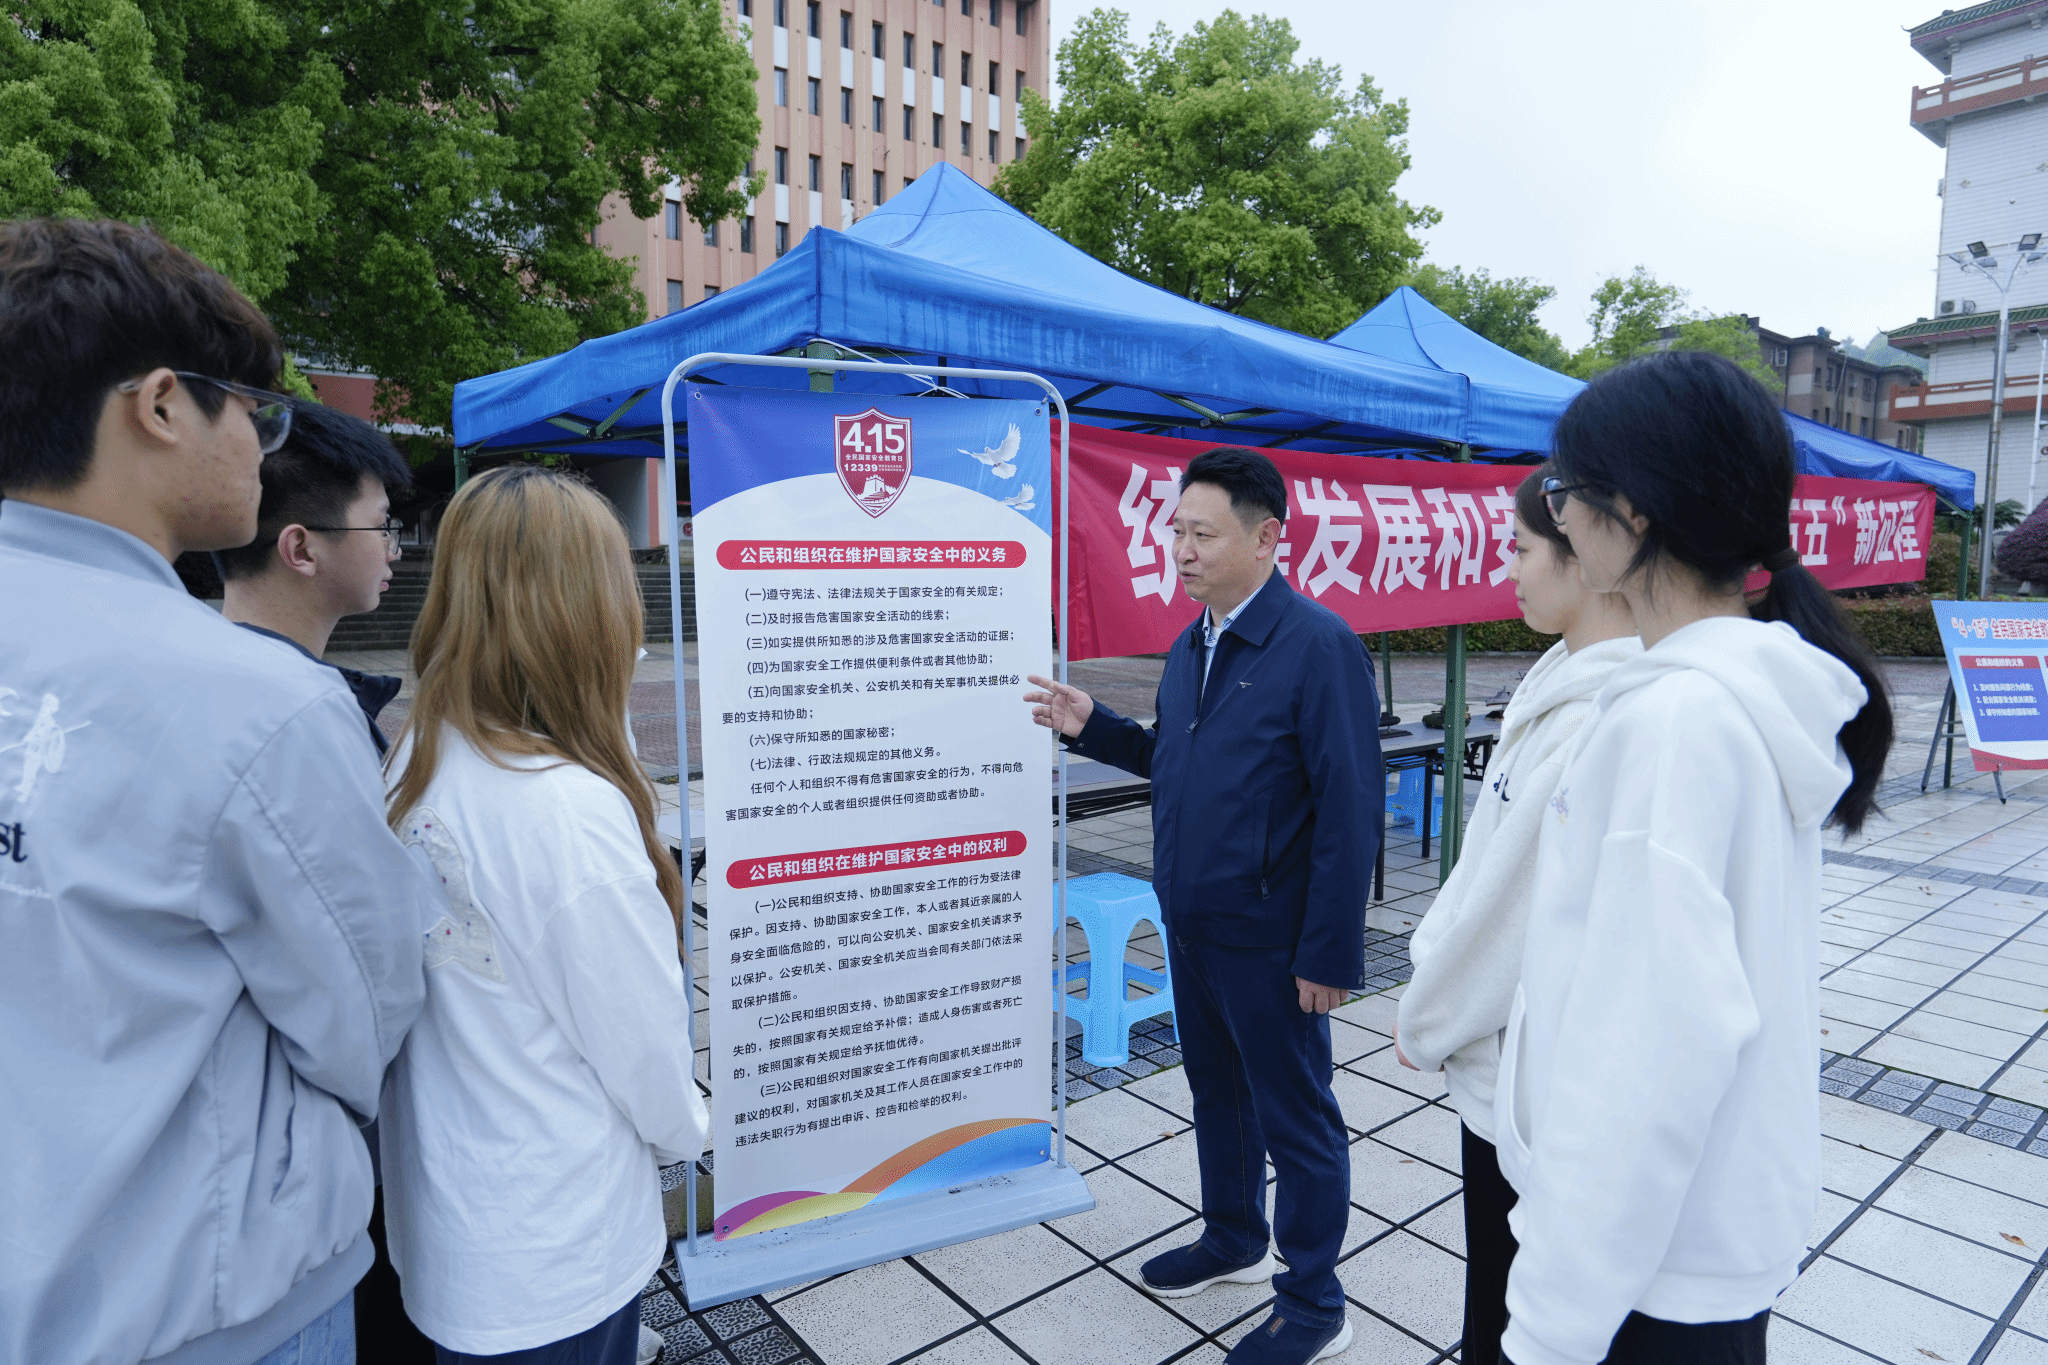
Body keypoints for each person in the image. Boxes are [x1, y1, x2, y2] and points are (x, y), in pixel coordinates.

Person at [0, 217, 431, 1365]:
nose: (261, 444)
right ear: (159, 405)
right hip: (209, 1301)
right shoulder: (257, 703)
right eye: (254, 412)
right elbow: (364, 1013)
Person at [1491, 351, 1893, 1365]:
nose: (1557, 516)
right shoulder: (1730, 699)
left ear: (1630, 511)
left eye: (1563, 492)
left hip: (1648, 1275)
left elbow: (1643, 1060)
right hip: (1701, 1236)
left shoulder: (1672, 724)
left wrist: (1547, 1323)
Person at [1025, 447, 1381, 1365]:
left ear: (1267, 539)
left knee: (1297, 1117)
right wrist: (1093, 726)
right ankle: (1233, 1236)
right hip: (1194, 924)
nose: (1181, 549)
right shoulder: (1195, 643)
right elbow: (1175, 758)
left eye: (1202, 534)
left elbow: (1350, 811)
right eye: (1176, 530)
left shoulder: (1319, 647)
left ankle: (1314, 1303)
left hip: (1272, 938)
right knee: (1216, 1091)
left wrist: (1330, 953)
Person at [378, 465, 707, 1365]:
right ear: (589, 609)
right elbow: (642, 1049)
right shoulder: (565, 808)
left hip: (454, 1217)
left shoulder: (417, 754)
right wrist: (693, 1131)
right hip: (559, 1240)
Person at [1392, 465, 1639, 1365]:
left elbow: (1508, 914)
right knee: (1491, 1293)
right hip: (1498, 1062)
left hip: (1525, 1078)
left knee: (1509, 1307)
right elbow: (1479, 869)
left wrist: (1426, 1018)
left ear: (1589, 553)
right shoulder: (1558, 675)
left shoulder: (1598, 716)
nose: (1508, 568)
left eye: (1521, 547)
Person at [217, 401, 413, 754]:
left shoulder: (197, 682)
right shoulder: (311, 724)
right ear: (302, 550)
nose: (393, 551)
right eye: (381, 525)